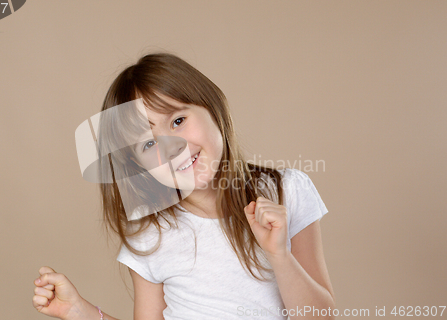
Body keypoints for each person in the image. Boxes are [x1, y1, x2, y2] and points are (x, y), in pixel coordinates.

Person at [32, 52, 336, 320]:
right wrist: (80, 312)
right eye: (149, 143)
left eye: (177, 121)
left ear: (213, 107)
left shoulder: (286, 191)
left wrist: (280, 255)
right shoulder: (150, 234)